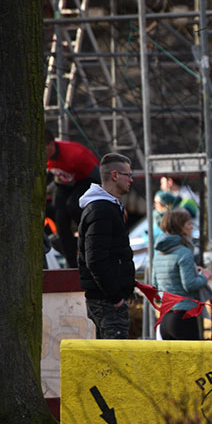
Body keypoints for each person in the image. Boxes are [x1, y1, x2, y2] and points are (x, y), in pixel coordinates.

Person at [77, 153, 137, 339]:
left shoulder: (107, 207)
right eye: (128, 175)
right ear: (115, 175)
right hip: (107, 302)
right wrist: (116, 297)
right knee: (114, 354)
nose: (131, 180)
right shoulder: (101, 210)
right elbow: (95, 259)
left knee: (108, 352)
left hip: (106, 299)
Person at [45, 129, 101, 268]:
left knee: (73, 204)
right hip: (65, 183)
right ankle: (72, 264)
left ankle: (87, 236)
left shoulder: (75, 155)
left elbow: (99, 177)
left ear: (51, 145)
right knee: (60, 221)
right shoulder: (44, 158)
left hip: (85, 180)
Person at [153, 209, 210, 340]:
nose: (192, 227)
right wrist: (205, 276)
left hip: (165, 319)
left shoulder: (158, 253)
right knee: (192, 354)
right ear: (181, 228)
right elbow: (189, 285)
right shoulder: (184, 252)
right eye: (189, 224)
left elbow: (154, 286)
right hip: (183, 318)